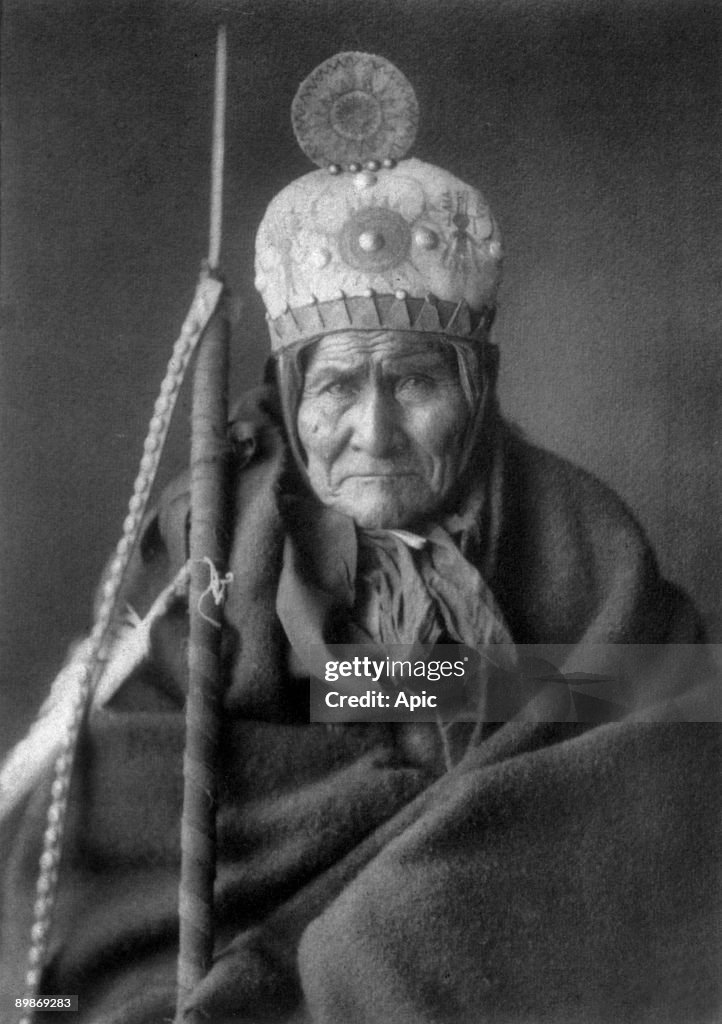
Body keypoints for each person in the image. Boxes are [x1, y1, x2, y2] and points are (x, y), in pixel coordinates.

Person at [1, 52, 719, 1024]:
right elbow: (122, 791)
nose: (372, 435)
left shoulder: (575, 530)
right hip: (234, 952)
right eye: (338, 387)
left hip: (481, 950)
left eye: (414, 382)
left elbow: (667, 731)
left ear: (474, 388)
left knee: (390, 927)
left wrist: (392, 691)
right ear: (294, 394)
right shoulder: (220, 536)